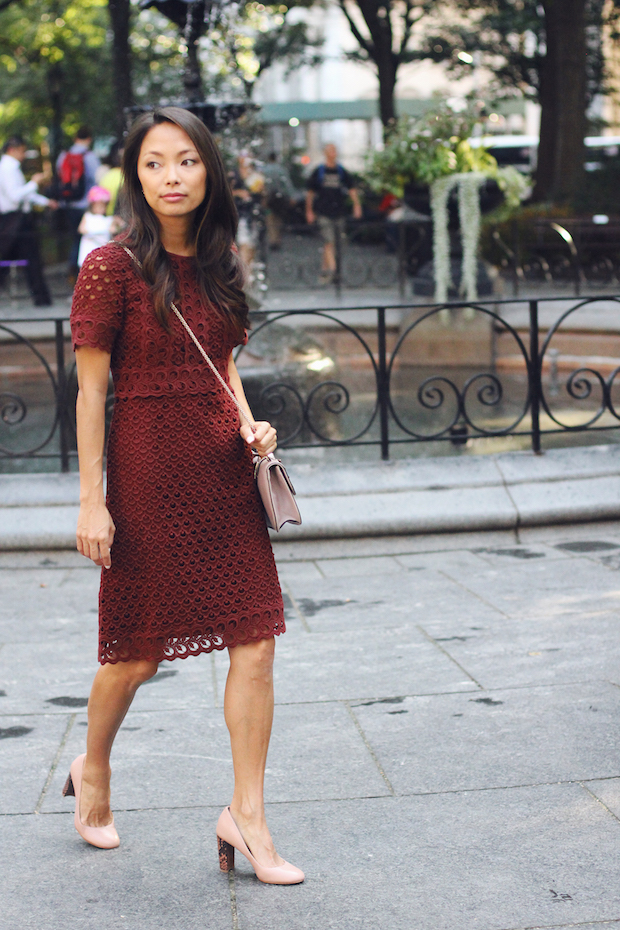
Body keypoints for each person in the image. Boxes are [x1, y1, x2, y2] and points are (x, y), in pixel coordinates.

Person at [65, 106, 303, 886]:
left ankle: (248, 815)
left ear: (209, 171)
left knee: (256, 642)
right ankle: (92, 767)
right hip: (144, 479)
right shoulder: (110, 267)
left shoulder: (223, 262)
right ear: (136, 175)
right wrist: (92, 502)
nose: (172, 177)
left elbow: (223, 366)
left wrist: (250, 423)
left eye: (187, 162)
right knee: (134, 656)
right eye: (156, 163)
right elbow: (90, 393)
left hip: (222, 477)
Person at [0, 135, 58, 306]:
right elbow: (15, 196)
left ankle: (42, 299)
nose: (24, 155)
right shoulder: (8, 168)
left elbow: (24, 195)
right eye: (22, 151)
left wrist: (45, 201)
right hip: (15, 220)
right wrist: (33, 183)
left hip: (16, 219)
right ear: (13, 149)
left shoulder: (11, 168)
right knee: (29, 260)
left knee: (22, 260)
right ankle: (41, 299)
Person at [305, 143, 362, 284]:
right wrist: (309, 211)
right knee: (329, 242)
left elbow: (352, 188)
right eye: (331, 150)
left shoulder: (341, 171)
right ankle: (335, 271)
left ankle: (325, 271)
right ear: (325, 153)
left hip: (339, 212)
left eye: (335, 150)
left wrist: (356, 205)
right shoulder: (319, 171)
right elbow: (310, 193)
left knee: (334, 244)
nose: (333, 153)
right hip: (324, 212)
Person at [57, 126, 101, 280]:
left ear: (75, 138)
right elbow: (97, 179)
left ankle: (73, 274)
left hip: (68, 204)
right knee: (84, 240)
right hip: (85, 205)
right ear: (89, 139)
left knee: (75, 239)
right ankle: (85, 276)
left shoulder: (64, 156)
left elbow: (60, 176)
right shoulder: (89, 156)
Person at [77, 186, 120, 268]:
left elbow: (114, 230)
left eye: (103, 206)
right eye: (98, 205)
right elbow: (81, 229)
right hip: (88, 253)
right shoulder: (87, 217)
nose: (101, 208)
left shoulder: (108, 220)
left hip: (102, 256)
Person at [262, 153, 295, 250]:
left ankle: (273, 239)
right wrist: (291, 196)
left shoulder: (265, 170)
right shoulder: (281, 170)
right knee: (279, 218)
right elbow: (287, 184)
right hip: (280, 198)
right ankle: (277, 239)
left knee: (270, 218)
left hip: (268, 198)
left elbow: (262, 184)